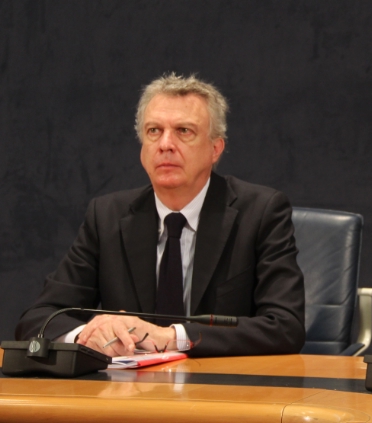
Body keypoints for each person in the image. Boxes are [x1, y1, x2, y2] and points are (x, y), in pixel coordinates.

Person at [15, 73, 305, 358]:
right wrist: (87, 336)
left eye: (184, 131)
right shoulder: (106, 217)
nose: (165, 144)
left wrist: (173, 337)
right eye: (154, 131)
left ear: (215, 149)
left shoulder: (260, 212)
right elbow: (39, 318)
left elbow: (285, 326)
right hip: (129, 385)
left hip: (220, 383)